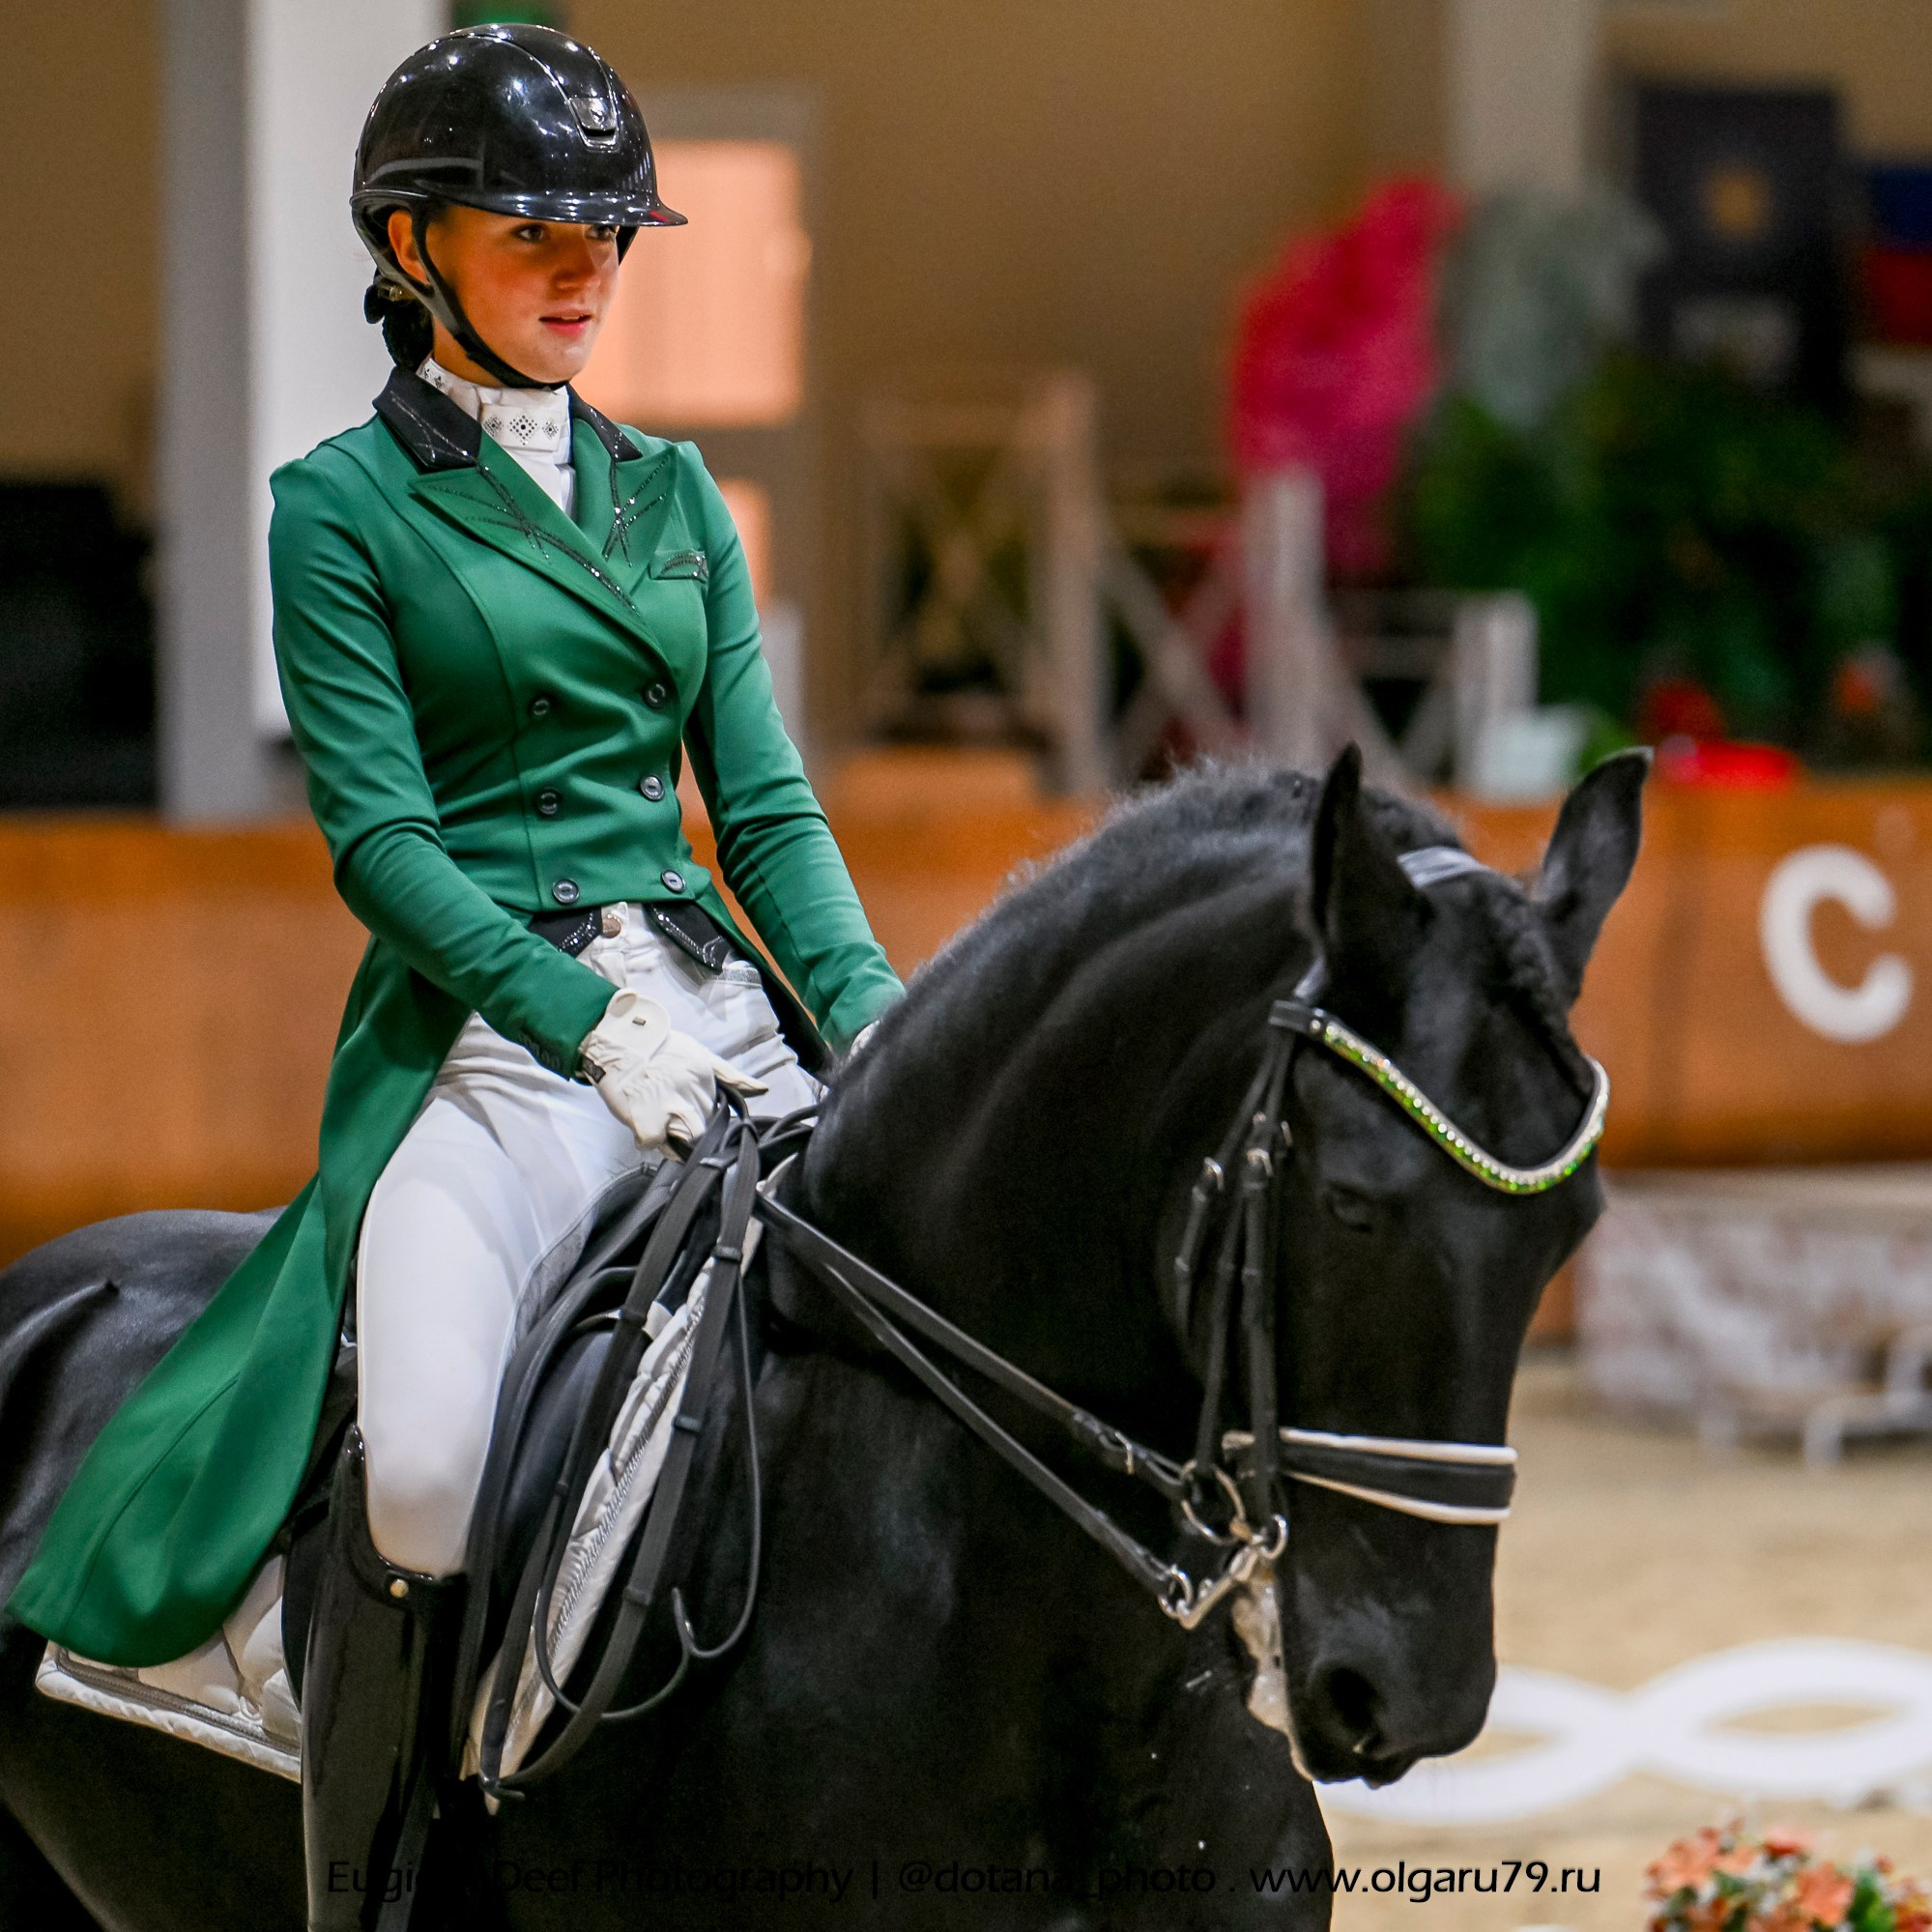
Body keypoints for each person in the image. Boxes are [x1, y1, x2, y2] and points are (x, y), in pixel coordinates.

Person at [7, 23, 902, 1930]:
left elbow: (765, 812)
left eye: (610, 237)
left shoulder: (670, 500)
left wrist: (895, 1038)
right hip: (492, 1040)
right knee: (418, 1466)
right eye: (533, 234)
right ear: (411, 248)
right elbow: (387, 849)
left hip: (718, 1007)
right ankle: (383, 1883)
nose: (587, 273)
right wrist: (591, 1029)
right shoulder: (340, 507)